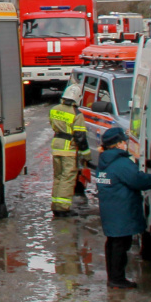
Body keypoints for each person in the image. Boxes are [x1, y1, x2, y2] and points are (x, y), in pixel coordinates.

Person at [94, 126, 151, 289]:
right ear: (118, 144)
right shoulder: (121, 163)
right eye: (124, 142)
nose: (125, 144)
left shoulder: (104, 162)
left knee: (113, 243)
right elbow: (137, 180)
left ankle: (113, 277)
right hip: (122, 211)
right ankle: (117, 279)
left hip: (109, 209)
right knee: (120, 245)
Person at [48, 83, 88, 217]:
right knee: (68, 177)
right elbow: (80, 137)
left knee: (58, 176)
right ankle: (63, 209)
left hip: (56, 146)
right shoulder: (77, 114)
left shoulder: (54, 109)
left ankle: (56, 205)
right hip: (68, 149)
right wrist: (86, 154)